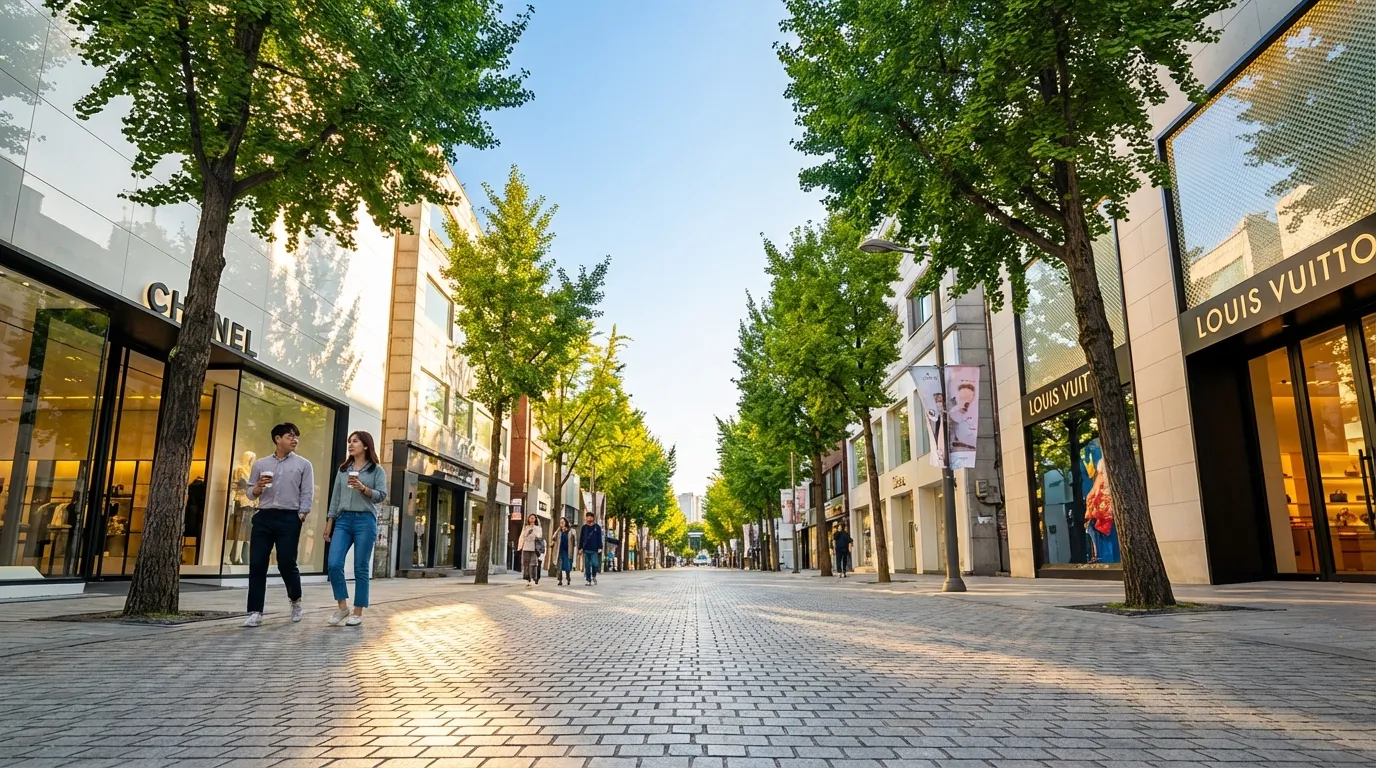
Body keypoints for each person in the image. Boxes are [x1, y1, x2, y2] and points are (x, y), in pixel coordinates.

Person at [243, 423, 315, 628]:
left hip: (289, 517)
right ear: (277, 439)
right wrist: (258, 487)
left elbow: (307, 491)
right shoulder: (260, 464)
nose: (295, 440)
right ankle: (255, 611)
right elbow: (250, 493)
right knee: (257, 563)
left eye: (296, 436)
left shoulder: (304, 464)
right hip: (264, 515)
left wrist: (302, 514)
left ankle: (295, 600)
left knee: (286, 562)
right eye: (290, 436)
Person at [323, 431, 388, 627]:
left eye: (355, 441)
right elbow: (335, 497)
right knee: (334, 563)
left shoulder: (377, 470)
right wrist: (329, 522)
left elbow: (381, 495)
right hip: (343, 520)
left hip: (365, 521)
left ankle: (357, 611)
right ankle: (342, 607)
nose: (350, 445)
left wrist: (363, 488)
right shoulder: (343, 469)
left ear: (366, 445)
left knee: (361, 566)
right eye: (349, 441)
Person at [518, 513, 544, 588]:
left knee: (533, 563)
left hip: (534, 548)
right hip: (526, 547)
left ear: (535, 519)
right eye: (530, 518)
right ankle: (527, 579)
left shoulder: (538, 528)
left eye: (533, 518)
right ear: (528, 519)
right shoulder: (526, 528)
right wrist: (520, 546)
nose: (532, 519)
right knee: (526, 563)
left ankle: (533, 578)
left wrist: (534, 532)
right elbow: (522, 537)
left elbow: (539, 537)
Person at [579, 511, 603, 586]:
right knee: (587, 566)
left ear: (593, 518)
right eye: (587, 516)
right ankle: (588, 580)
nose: (589, 518)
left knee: (595, 564)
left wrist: (600, 547)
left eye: (590, 516)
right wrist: (580, 548)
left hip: (594, 549)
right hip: (586, 549)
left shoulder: (597, 527)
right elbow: (581, 538)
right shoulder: (584, 527)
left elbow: (599, 538)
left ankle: (594, 575)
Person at [555, 517, 575, 586]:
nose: (561, 523)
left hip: (567, 551)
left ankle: (568, 577)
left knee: (567, 567)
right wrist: (558, 530)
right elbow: (553, 537)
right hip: (560, 551)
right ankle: (560, 580)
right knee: (559, 567)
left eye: (562, 522)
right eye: (560, 522)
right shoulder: (559, 531)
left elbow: (574, 541)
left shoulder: (571, 531)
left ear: (565, 522)